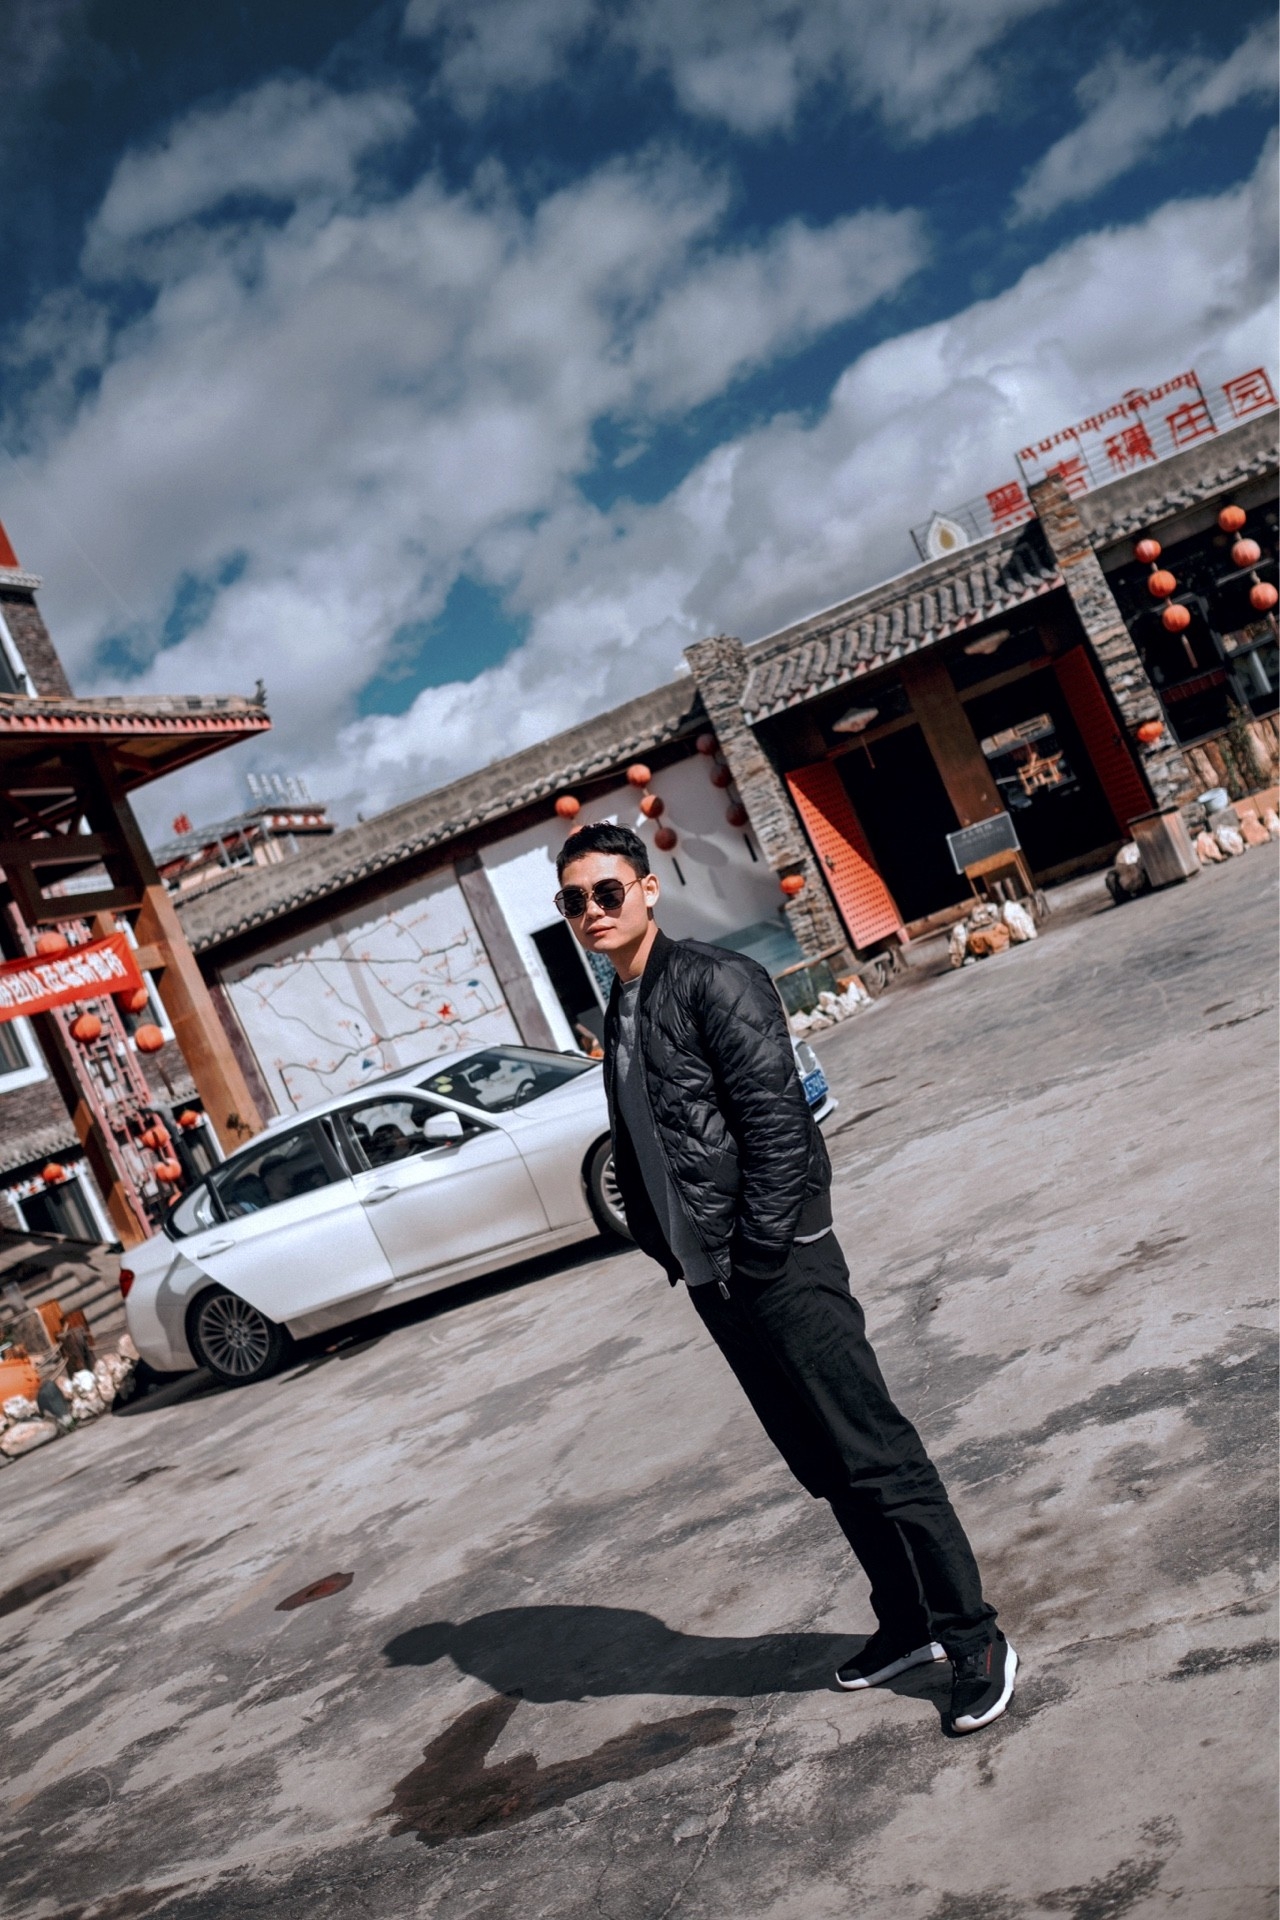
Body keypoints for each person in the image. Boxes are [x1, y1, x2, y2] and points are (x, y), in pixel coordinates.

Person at [553, 821, 1017, 1734]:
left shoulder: (716, 980)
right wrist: (677, 1254)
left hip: (779, 1265)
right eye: (574, 901)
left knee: (876, 1453)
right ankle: (908, 1622)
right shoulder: (621, 1008)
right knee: (823, 1463)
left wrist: (763, 1252)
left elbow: (778, 1129)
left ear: (648, 889)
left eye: (608, 891)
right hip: (715, 1281)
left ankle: (974, 1637)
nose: (592, 911)